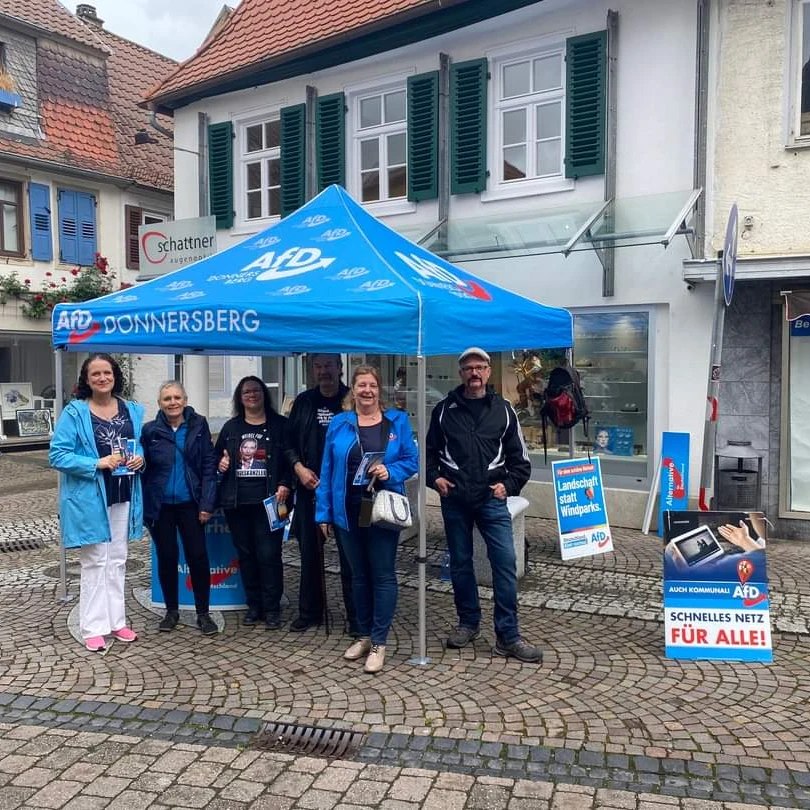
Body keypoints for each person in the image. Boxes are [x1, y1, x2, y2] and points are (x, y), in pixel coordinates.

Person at [426, 347, 543, 664]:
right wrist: (435, 479)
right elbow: (430, 455)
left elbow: (521, 462)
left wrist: (509, 486)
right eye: (468, 368)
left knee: (504, 564)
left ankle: (508, 635)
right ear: (460, 373)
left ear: (488, 372)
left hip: (492, 500)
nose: (474, 373)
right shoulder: (443, 410)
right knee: (460, 564)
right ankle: (468, 623)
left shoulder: (504, 411)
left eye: (480, 367)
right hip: (455, 500)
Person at [316, 365, 418, 673]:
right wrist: (323, 512)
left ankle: (379, 641)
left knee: (383, 574)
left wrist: (391, 471)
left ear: (379, 389)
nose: (367, 391)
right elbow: (326, 469)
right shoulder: (339, 423)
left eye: (372, 385)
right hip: (347, 509)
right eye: (361, 385)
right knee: (357, 575)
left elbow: (412, 460)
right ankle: (362, 634)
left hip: (382, 508)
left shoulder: (396, 421)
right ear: (354, 390)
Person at [49, 353, 145, 652]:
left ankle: (117, 622)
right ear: (86, 380)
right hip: (91, 497)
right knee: (94, 562)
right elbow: (58, 455)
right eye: (96, 374)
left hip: (123, 493)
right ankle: (92, 626)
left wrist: (140, 457)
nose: (102, 378)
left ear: (115, 375)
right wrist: (97, 462)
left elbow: (137, 443)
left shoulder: (132, 409)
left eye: (107, 373)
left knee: (117, 560)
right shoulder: (75, 412)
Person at [284, 353, 356, 633]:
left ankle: (355, 616)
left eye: (329, 365)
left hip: (344, 492)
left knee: (351, 558)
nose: (323, 371)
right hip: (308, 488)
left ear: (340, 368)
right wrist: (298, 468)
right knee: (309, 554)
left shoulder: (352, 400)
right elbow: (287, 443)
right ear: (312, 370)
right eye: (318, 366)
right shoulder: (304, 402)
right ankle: (310, 611)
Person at [141, 381, 218, 636]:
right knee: (167, 557)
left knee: (197, 556)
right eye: (167, 399)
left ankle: (203, 614)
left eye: (177, 397)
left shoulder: (198, 425)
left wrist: (207, 503)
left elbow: (208, 465)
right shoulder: (150, 431)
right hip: (161, 506)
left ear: (185, 400)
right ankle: (171, 610)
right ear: (160, 404)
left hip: (191, 504)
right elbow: (144, 469)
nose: (172, 403)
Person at [215, 376, 291, 630]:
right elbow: (215, 459)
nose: (252, 395)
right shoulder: (231, 428)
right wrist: (221, 464)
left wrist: (286, 483)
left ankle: (272, 608)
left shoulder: (280, 425)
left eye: (256, 390)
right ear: (240, 396)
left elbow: (291, 458)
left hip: (272, 501)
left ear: (263, 394)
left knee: (270, 555)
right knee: (246, 555)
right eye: (246, 392)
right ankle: (254, 605)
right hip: (237, 502)